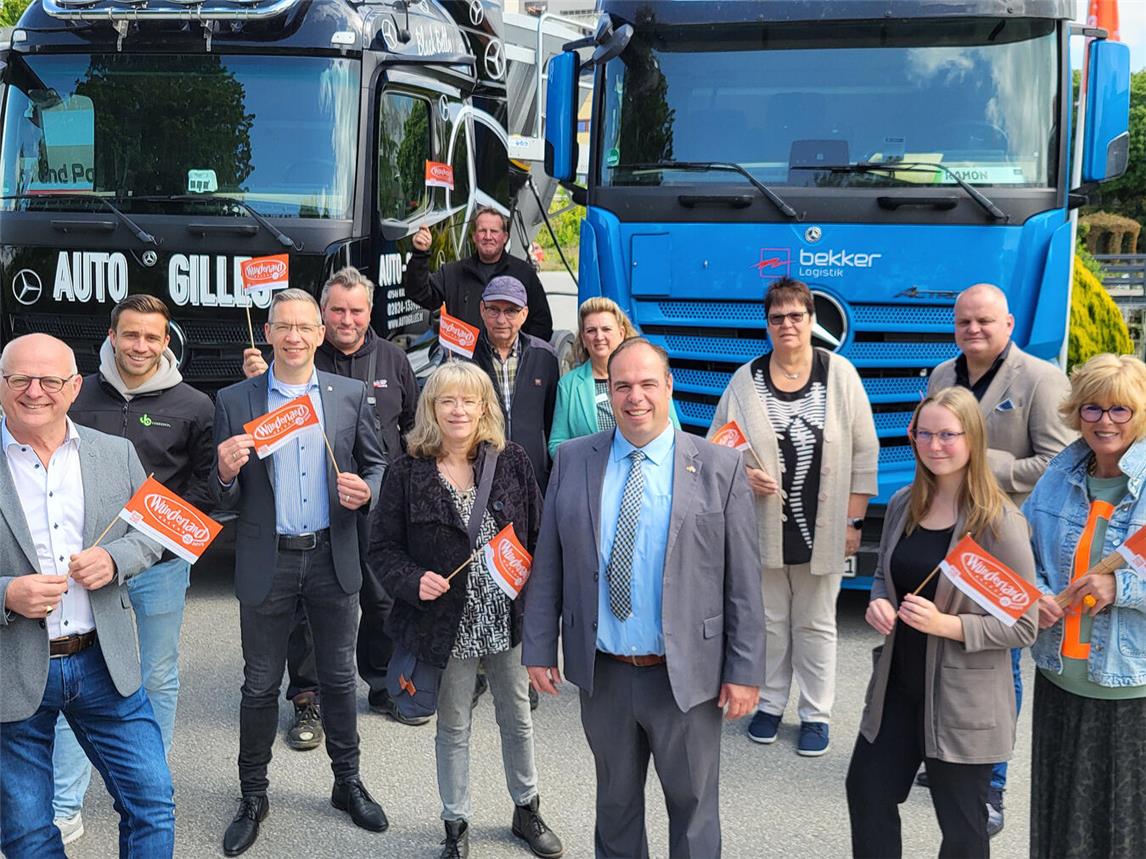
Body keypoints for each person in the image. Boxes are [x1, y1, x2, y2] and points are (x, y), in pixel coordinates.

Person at [524, 338, 766, 859]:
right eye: (622, 386)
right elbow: (550, 562)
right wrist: (539, 647)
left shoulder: (720, 467)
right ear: (607, 392)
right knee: (615, 807)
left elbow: (743, 582)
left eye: (647, 384)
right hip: (605, 673)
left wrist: (745, 670)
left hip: (685, 677)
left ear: (669, 387)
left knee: (694, 808)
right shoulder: (573, 459)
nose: (636, 397)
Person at [212, 289, 388, 856]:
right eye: (283, 326)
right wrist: (222, 470)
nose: (293, 337)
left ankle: (347, 782)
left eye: (304, 327)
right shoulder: (236, 400)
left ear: (319, 334)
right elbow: (221, 490)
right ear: (268, 332)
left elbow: (377, 463)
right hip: (270, 558)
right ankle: (253, 794)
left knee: (338, 679)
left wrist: (368, 491)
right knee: (260, 683)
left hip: (331, 555)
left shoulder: (349, 394)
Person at [370, 361, 563, 859]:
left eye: (469, 400)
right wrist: (413, 581)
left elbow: (540, 539)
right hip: (444, 626)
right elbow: (383, 549)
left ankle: (527, 808)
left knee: (516, 716)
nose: (459, 410)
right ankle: (455, 823)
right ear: (432, 408)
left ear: (484, 407)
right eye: (447, 400)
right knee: (453, 726)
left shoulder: (513, 461)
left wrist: (544, 615)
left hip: (506, 619)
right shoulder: (406, 472)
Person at [845, 386, 1037, 859]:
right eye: (924, 434)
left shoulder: (999, 522)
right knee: (867, 794)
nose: (934, 446)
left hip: (961, 700)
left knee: (963, 827)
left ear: (972, 438)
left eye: (947, 435)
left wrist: (948, 625)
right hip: (896, 688)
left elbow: (1025, 625)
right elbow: (885, 579)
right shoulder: (903, 504)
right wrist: (879, 603)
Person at [0, 333, 173, 859]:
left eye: (50, 380)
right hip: (13, 668)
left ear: (74, 387)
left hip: (103, 662)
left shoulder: (115, 453)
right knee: (28, 833)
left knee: (152, 803)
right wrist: (6, 594)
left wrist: (116, 559)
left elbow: (152, 534)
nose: (36, 391)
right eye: (20, 379)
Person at [50, 295, 215, 845]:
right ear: (112, 335)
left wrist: (161, 541)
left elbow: (203, 484)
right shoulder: (77, 394)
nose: (140, 346)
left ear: (166, 341)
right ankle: (64, 803)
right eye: (131, 335)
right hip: (88, 566)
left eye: (152, 337)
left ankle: (150, 783)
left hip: (158, 567)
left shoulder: (194, 404)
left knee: (156, 674)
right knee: (80, 678)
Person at [244, 267, 422, 740]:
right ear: (323, 316)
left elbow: (408, 428)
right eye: (337, 310)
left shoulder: (392, 359)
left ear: (369, 312)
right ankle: (307, 696)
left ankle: (382, 683)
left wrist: (386, 490)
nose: (347, 319)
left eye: (356, 310)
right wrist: (260, 383)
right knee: (307, 608)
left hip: (374, 503)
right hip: (315, 511)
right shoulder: (298, 359)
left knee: (381, 596)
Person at [925, 282, 1074, 833]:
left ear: (1008, 324)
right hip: (946, 534)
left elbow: (1060, 463)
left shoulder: (1040, 379)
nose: (974, 331)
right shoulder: (943, 376)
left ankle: (992, 779)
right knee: (945, 641)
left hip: (1002, 539)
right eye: (965, 322)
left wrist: (990, 468)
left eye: (985, 321)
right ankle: (945, 750)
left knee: (998, 656)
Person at [710, 276, 877, 756]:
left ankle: (816, 714)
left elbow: (865, 450)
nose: (787, 325)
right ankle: (769, 703)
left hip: (822, 529)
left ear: (811, 320)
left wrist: (853, 522)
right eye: (777, 317)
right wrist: (743, 475)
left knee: (816, 623)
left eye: (796, 316)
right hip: (763, 526)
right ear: (767, 325)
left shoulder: (839, 374)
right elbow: (720, 444)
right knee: (769, 621)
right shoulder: (746, 380)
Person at [1025, 353, 1146, 858]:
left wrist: (1125, 590)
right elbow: (1026, 548)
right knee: (1058, 830)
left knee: (1120, 836)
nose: (1104, 422)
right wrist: (1033, 592)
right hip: (1058, 677)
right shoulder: (1059, 471)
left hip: (1128, 692)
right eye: (1092, 409)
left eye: (1120, 410)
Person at [548, 297, 680, 456]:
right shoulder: (568, 385)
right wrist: (589, 462)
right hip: (593, 477)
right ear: (583, 338)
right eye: (591, 331)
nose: (599, 337)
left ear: (621, 333)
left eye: (606, 329)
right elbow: (556, 445)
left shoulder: (648, 375)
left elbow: (674, 432)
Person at [404, 206, 554, 341]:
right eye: (482, 231)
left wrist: (525, 354)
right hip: (465, 364)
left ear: (505, 237)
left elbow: (542, 322)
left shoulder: (524, 273)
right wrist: (420, 254)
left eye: (494, 231)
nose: (488, 236)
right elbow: (420, 294)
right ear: (475, 237)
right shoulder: (453, 272)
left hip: (508, 366)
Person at [471, 275, 559, 490]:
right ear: (482, 310)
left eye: (511, 311)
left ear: (524, 314)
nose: (501, 320)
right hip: (480, 473)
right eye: (493, 309)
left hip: (532, 475)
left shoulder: (545, 356)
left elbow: (551, 419)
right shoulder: (464, 356)